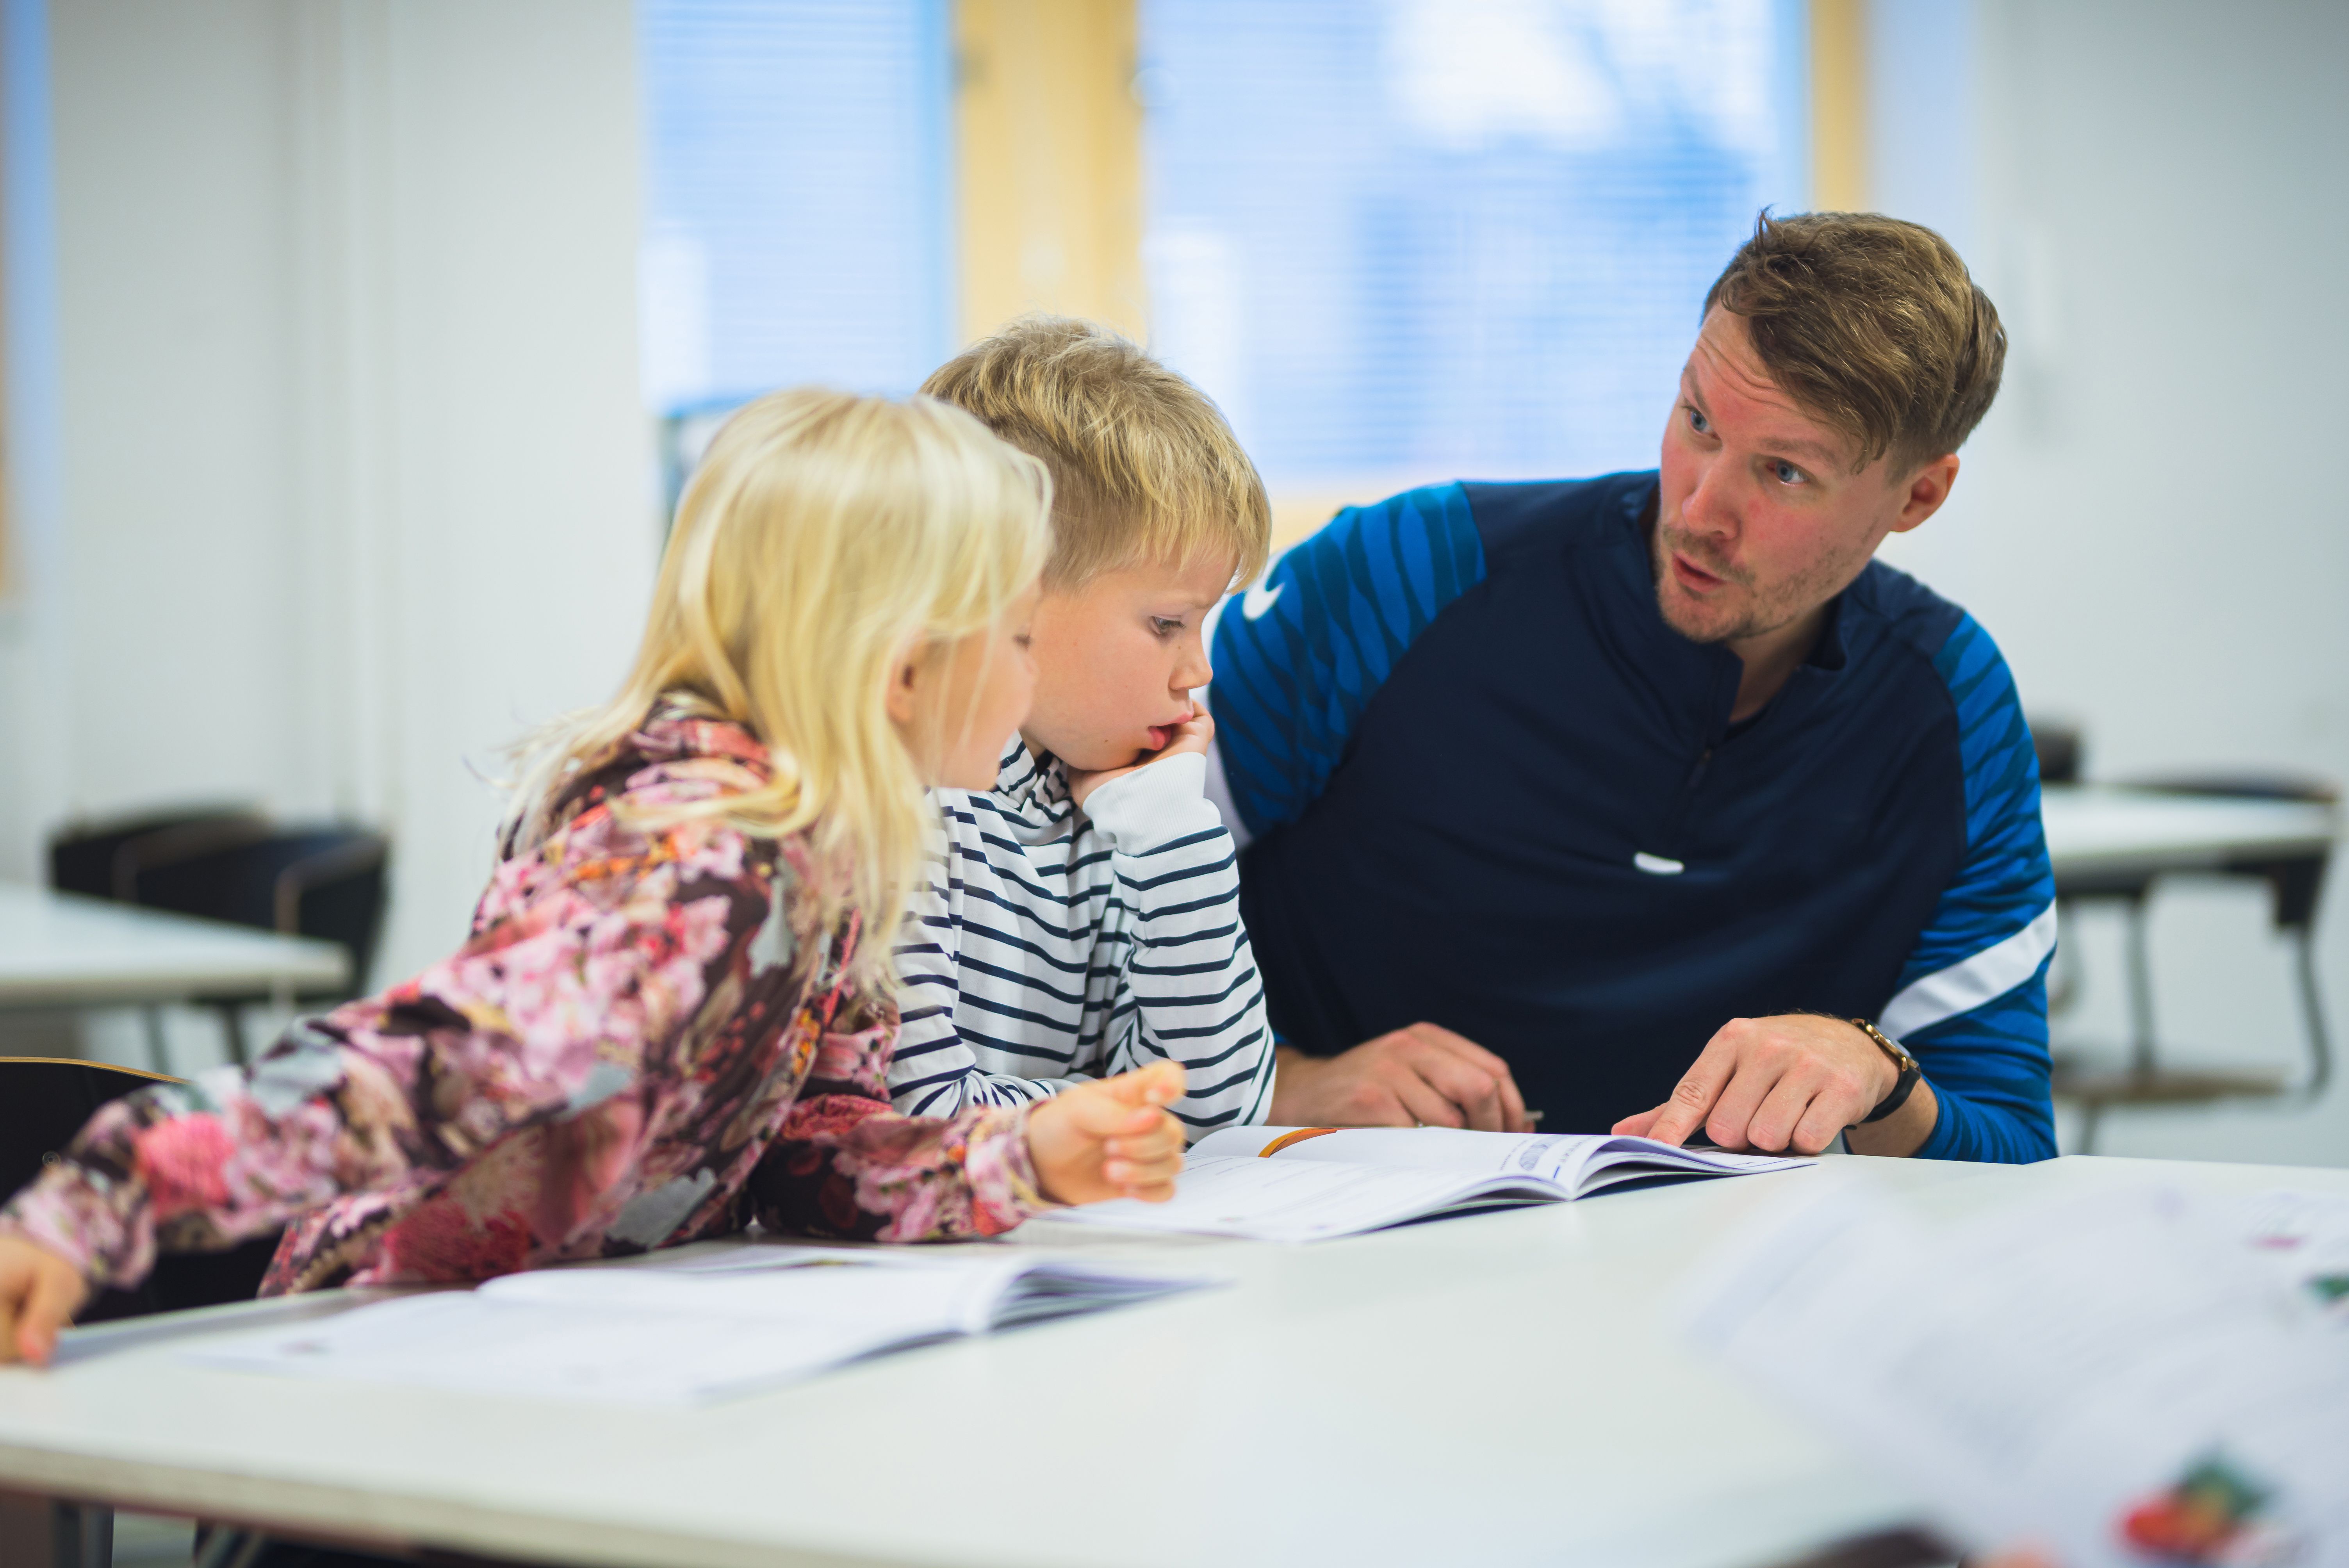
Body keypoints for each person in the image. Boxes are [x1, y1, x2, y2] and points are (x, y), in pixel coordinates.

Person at [0, 387, 1189, 1368]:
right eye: (1018, 639)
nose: (1030, 683)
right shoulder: (704, 871)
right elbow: (419, 1068)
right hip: (393, 1393)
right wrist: (106, 1194)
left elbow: (800, 1146)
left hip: (574, 1358)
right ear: (901, 670)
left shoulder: (831, 850)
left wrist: (1014, 1159)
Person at [1214, 211, 2055, 1162]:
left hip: (1698, 1283)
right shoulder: (1402, 574)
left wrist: (1878, 1080)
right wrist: (1282, 1080)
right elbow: (1061, 932)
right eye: (1696, 421)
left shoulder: (1952, 706)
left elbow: (2012, 1147)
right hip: (1322, 1241)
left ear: (1917, 497)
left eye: (1782, 473)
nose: (1696, 511)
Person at [888, 317, 1278, 1138]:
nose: (1197, 672)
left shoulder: (1121, 800)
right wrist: (1120, 1104)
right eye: (1168, 624)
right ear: (1006, 590)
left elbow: (1222, 1108)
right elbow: (914, 1120)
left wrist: (1171, 828)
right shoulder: (903, 788)